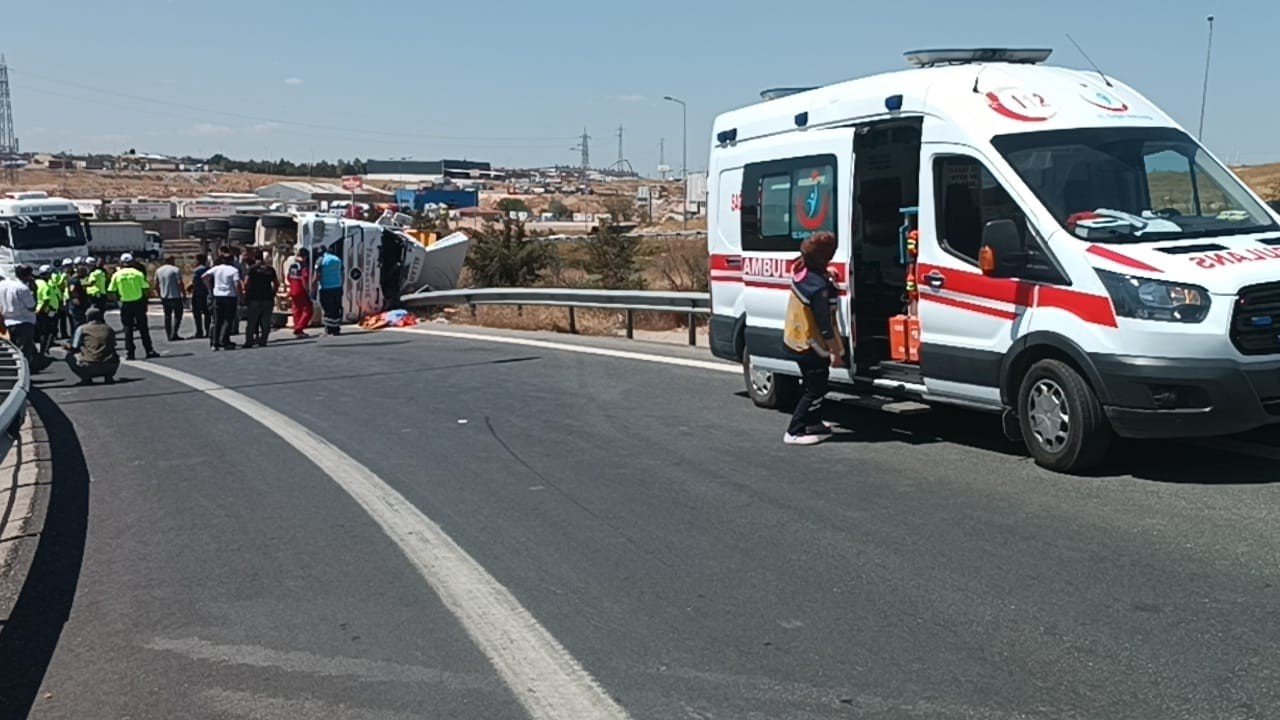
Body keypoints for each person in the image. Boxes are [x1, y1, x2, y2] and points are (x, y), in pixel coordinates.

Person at [781, 231, 845, 446]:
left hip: (795, 339)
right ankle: (795, 431)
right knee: (815, 388)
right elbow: (825, 325)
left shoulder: (802, 271)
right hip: (810, 344)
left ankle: (814, 422)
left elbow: (811, 271)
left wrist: (826, 273)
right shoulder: (818, 289)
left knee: (813, 382)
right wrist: (836, 352)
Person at [108, 253, 158, 360]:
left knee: (128, 329)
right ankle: (149, 350)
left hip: (125, 303)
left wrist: (118, 299)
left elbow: (111, 290)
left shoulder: (117, 275)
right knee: (143, 328)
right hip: (138, 302)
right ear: (132, 262)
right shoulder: (138, 274)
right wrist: (145, 300)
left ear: (121, 263)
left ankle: (130, 352)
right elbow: (145, 288)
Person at [63, 307, 119, 385]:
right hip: (110, 365)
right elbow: (113, 344)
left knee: (68, 355)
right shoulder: (109, 328)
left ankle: (86, 378)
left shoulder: (82, 329)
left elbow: (74, 347)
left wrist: (67, 346)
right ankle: (108, 376)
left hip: (89, 366)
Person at [0, 265, 41, 370]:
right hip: (23, 322)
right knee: (23, 354)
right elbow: (31, 306)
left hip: (6, 322)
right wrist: (34, 292)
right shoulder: (22, 288)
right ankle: (23, 373)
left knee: (10, 353)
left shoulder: (2, 285)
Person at [204, 251, 242, 350]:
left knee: (217, 320)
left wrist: (210, 288)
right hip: (230, 297)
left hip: (217, 296)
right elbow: (237, 284)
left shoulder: (216, 269)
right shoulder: (233, 270)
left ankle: (214, 343)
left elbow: (204, 277)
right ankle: (224, 340)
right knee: (228, 320)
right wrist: (240, 295)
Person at [242, 250, 279, 348]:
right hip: (268, 298)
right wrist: (273, 293)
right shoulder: (270, 269)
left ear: (254, 258)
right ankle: (263, 340)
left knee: (252, 321)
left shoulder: (252, 269)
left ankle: (249, 341)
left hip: (254, 298)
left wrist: (246, 293)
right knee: (266, 321)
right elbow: (276, 283)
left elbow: (246, 283)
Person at [154, 255, 185, 341]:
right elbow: (180, 283)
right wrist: (184, 294)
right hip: (175, 296)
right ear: (171, 260)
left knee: (167, 316)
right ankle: (174, 333)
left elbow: (156, 285)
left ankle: (168, 334)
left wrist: (160, 294)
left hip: (165, 296)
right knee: (178, 316)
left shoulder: (159, 270)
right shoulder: (175, 270)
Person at [34, 265, 62, 355]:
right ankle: (44, 350)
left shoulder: (38, 283)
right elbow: (46, 300)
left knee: (44, 331)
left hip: (43, 310)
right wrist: (44, 309)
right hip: (46, 311)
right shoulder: (45, 285)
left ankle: (44, 348)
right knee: (46, 332)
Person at [286, 247, 314, 338]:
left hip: (293, 289)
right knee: (308, 310)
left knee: (296, 310)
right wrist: (308, 290)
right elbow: (304, 279)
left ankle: (298, 329)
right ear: (305, 256)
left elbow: (288, 277)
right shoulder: (303, 265)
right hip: (301, 290)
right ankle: (299, 328)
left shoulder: (293, 265)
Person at [316, 244, 343, 336]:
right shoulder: (337, 259)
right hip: (338, 287)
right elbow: (342, 272)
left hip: (326, 288)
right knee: (336, 308)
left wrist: (312, 285)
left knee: (327, 309)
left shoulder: (321, 260)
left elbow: (317, 274)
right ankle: (336, 329)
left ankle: (329, 330)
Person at [189, 253, 211, 339]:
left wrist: (189, 288)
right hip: (206, 293)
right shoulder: (208, 270)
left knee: (197, 313)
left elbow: (195, 282)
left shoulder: (197, 270)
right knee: (207, 313)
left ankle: (199, 331)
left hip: (198, 294)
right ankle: (208, 330)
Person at [66, 264, 90, 330]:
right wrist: (75, 298)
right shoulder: (74, 280)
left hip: (80, 304)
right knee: (78, 323)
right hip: (77, 305)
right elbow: (72, 290)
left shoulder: (78, 280)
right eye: (84, 272)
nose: (85, 274)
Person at [54, 258, 73, 339]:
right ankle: (63, 333)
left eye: (69, 266)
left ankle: (72, 332)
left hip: (70, 297)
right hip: (65, 297)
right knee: (63, 316)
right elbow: (59, 286)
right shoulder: (63, 275)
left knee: (70, 317)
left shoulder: (73, 274)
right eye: (66, 266)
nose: (68, 267)